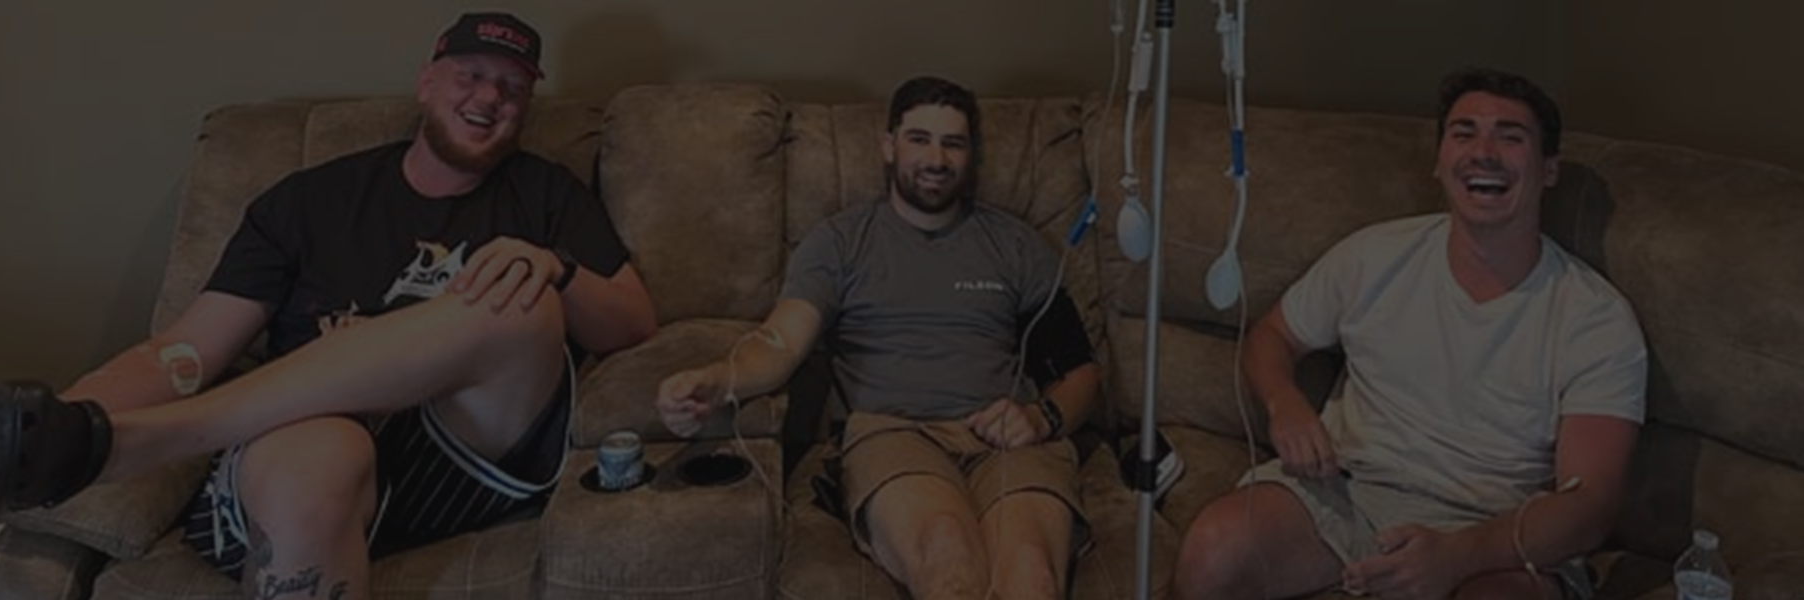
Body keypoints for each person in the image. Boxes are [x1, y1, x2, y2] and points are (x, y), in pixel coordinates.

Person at [0, 12, 657, 599]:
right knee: (318, 460)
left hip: (468, 453)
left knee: (518, 296)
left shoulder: (545, 194)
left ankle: (161, 438)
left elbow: (633, 323)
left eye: (513, 86)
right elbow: (185, 352)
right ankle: (117, 436)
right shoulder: (308, 201)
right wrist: (62, 425)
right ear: (427, 80)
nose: (490, 97)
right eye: (471, 74)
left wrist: (555, 267)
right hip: (306, 443)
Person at [1173, 67, 1646, 600]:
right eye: (1463, 133)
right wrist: (1285, 402)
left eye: (1510, 137)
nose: (1483, 152)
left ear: (1549, 170)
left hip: (1497, 526)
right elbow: (1271, 337)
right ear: (1439, 160)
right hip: (1348, 490)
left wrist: (1455, 557)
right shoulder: (1372, 256)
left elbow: (1590, 507)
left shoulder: (1596, 320)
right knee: (1215, 550)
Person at [656, 76, 1099, 600]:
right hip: (894, 434)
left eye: (953, 143)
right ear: (888, 146)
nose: (936, 158)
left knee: (1030, 573)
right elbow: (779, 342)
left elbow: (1081, 372)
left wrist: (1039, 418)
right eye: (919, 138)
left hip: (1006, 439)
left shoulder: (1016, 246)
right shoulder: (839, 243)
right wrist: (716, 379)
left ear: (970, 154)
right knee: (947, 551)